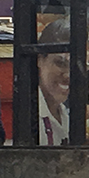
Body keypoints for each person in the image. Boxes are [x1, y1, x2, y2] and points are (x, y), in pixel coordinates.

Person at [37, 17, 71, 145]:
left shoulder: (67, 115)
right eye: (60, 63)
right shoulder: (27, 116)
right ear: (40, 60)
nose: (68, 74)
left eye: (74, 66)